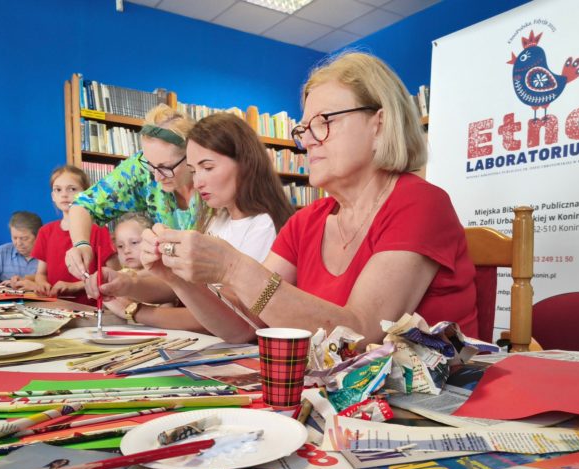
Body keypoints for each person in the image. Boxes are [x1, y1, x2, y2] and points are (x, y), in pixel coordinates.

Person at [135, 52, 478, 344]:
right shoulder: (306, 222)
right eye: (304, 129)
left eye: (323, 122)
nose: (309, 140)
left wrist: (233, 267)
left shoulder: (420, 203)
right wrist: (178, 279)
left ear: (380, 124)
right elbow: (242, 327)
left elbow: (359, 335)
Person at [86, 113, 294, 331]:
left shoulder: (264, 226)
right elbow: (189, 286)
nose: (198, 181)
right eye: (194, 171)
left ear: (245, 162)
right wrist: (127, 283)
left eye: (208, 168)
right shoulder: (217, 217)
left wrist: (136, 312)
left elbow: (230, 318)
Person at [65, 104, 198, 280]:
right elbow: (83, 205)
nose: (156, 178)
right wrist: (81, 244)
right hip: (174, 286)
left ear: (193, 154)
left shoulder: (213, 183)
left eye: (166, 167)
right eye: (150, 165)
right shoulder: (141, 168)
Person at [32, 165, 118, 305]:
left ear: (86, 194)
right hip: (55, 307)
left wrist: (75, 286)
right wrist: (42, 284)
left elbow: (113, 273)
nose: (64, 194)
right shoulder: (45, 232)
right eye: (58, 190)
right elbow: (41, 274)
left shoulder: (99, 231)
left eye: (72, 189)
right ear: (53, 196)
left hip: (90, 309)